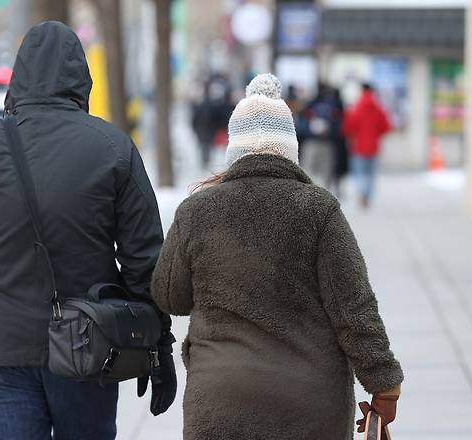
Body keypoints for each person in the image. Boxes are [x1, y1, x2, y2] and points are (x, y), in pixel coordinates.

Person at [0, 21, 177, 440]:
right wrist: (156, 343)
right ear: (82, 80)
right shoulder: (112, 148)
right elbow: (143, 260)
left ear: (18, 78)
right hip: (91, 345)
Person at [151, 74, 403, 440]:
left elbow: (170, 295)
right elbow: (354, 306)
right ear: (290, 148)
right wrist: (384, 385)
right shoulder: (319, 209)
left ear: (234, 149)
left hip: (221, 401)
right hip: (310, 405)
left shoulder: (196, 211)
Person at [343, 83, 391, 208]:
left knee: (359, 172)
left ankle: (361, 192)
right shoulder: (378, 108)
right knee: (371, 173)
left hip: (358, 146)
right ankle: (368, 195)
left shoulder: (356, 108)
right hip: (374, 147)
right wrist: (376, 134)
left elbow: (348, 127)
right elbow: (386, 126)